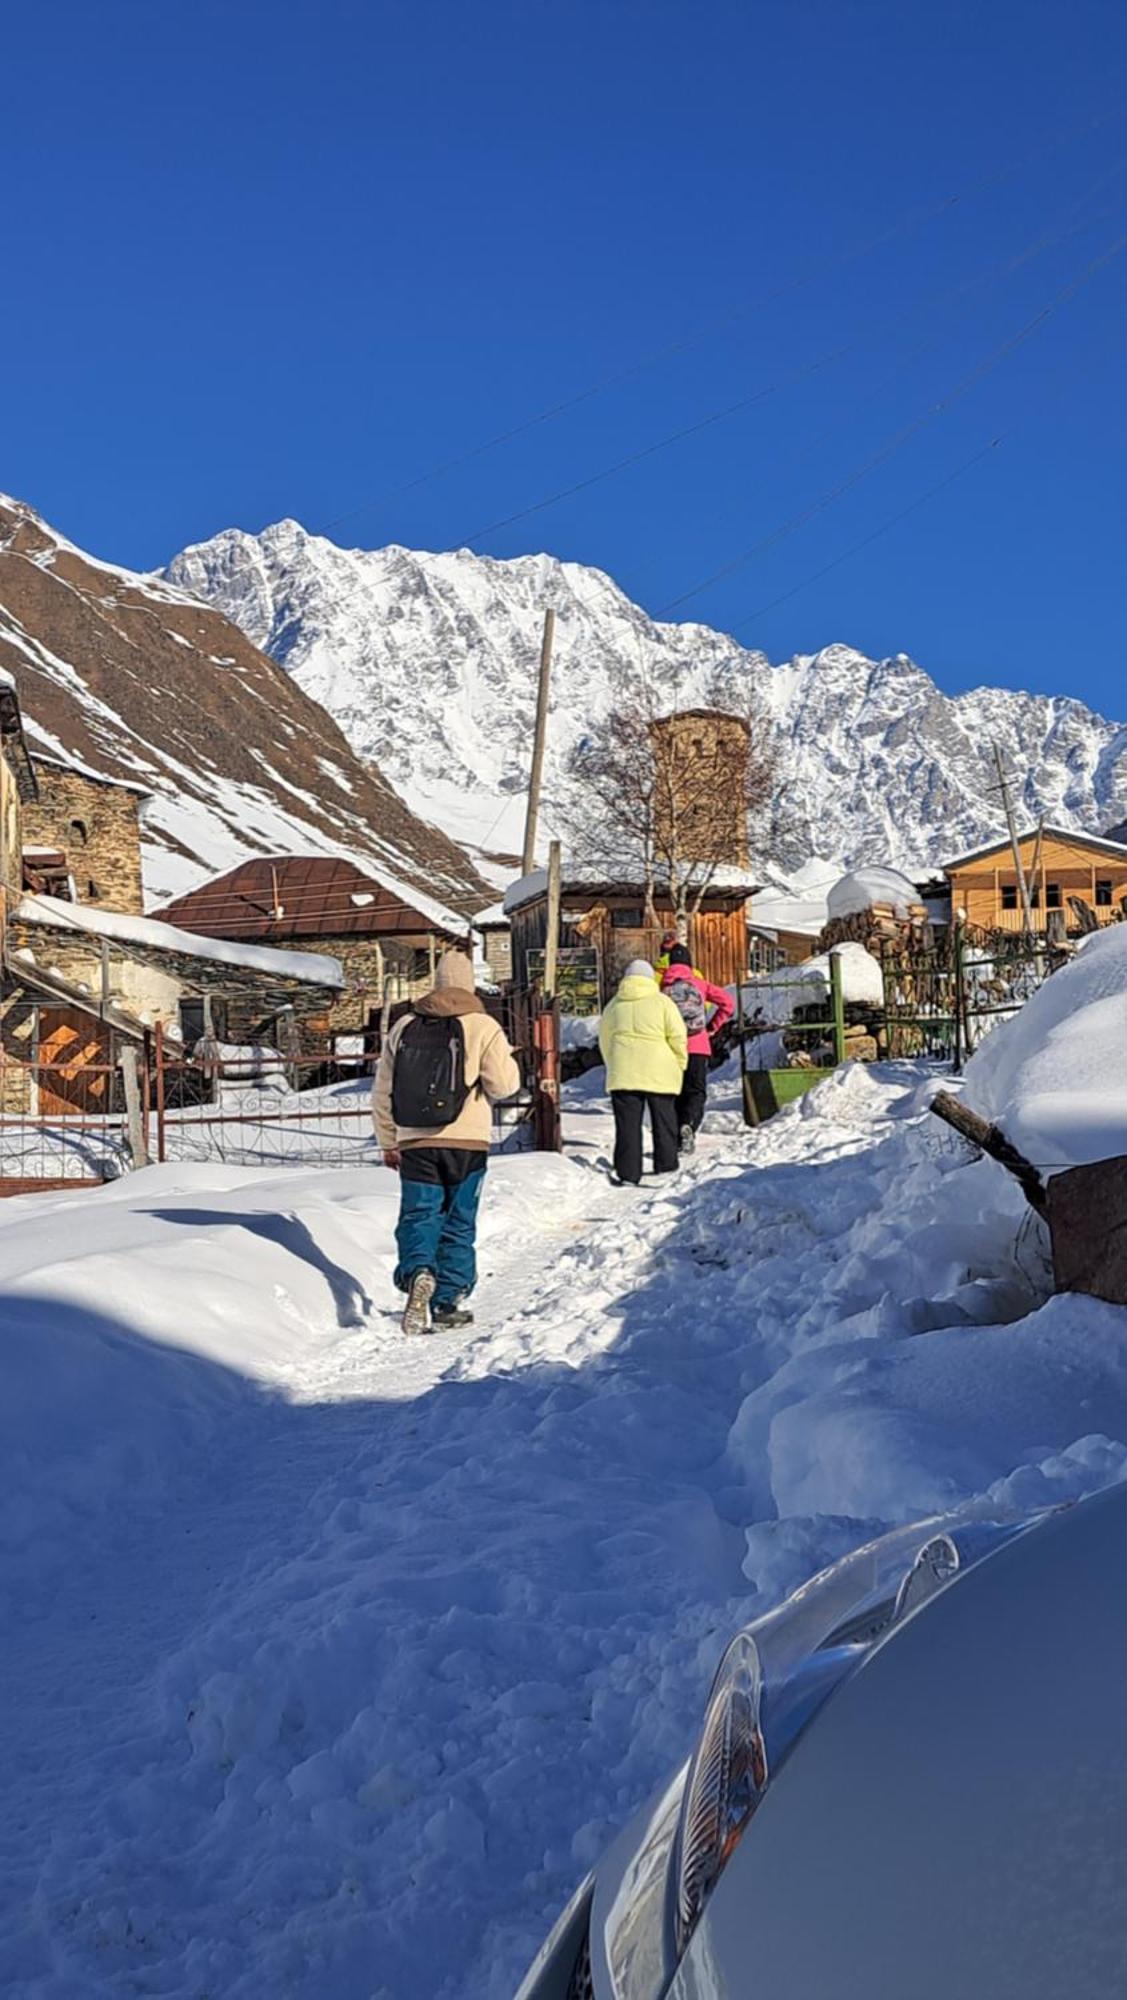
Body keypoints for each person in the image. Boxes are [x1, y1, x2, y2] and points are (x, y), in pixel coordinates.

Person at [373, 950, 521, 1335]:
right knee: (458, 1220)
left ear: (435, 983)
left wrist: (389, 1140)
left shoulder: (404, 1025)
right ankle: (447, 1300)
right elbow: (504, 1086)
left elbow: (383, 1090)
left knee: (420, 1214)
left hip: (415, 1140)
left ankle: (418, 1271)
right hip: (467, 1142)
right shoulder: (483, 1025)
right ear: (470, 984)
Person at [598, 958, 687, 1185]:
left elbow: (605, 1038)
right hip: (660, 1068)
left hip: (624, 1070)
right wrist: (680, 1062)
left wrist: (613, 1063)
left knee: (627, 1125)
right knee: (664, 1119)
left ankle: (628, 1172)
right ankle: (666, 1166)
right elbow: (677, 1035)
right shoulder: (663, 1003)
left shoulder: (614, 1004)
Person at [660, 944, 734, 1154]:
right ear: (690, 964)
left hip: (671, 1049)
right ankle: (689, 1125)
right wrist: (712, 1027)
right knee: (696, 1092)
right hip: (698, 1046)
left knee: (674, 1093)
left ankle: (675, 1136)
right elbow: (728, 1004)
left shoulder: (662, 988)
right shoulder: (700, 984)